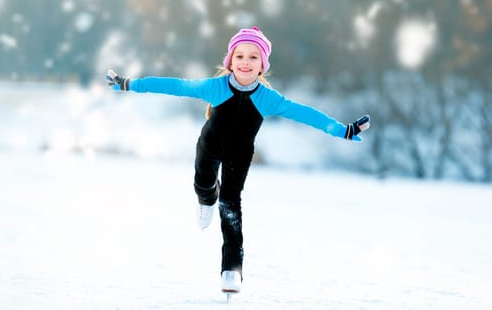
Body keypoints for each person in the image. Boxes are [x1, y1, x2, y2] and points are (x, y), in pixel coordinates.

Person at [105, 26, 370, 294]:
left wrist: (342, 130)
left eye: (254, 57)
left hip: (239, 156)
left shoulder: (268, 99)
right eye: (240, 56)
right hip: (208, 148)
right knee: (203, 185)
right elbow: (173, 85)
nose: (245, 62)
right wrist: (130, 84)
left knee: (231, 205)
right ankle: (206, 199)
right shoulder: (215, 87)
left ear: (262, 66)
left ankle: (231, 269)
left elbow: (306, 114)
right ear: (230, 61)